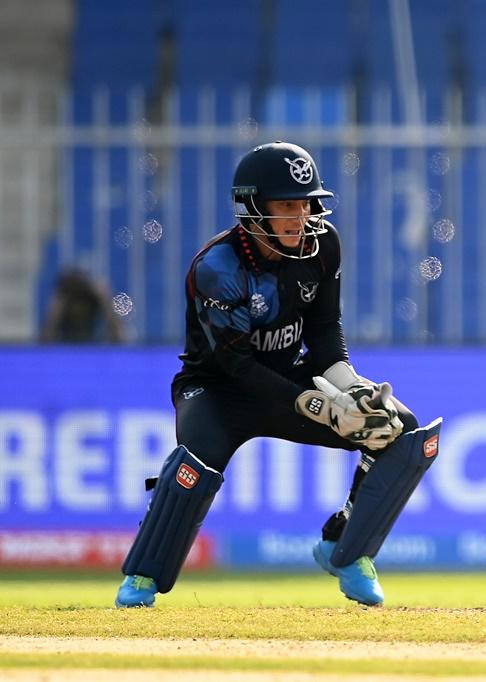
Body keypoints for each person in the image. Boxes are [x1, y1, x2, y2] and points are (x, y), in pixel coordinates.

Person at [115, 141, 443, 608]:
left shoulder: (324, 244)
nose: (300, 215)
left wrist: (349, 388)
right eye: (286, 204)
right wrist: (317, 405)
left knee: (397, 430)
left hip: (290, 372)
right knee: (195, 465)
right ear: (252, 207)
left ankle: (345, 550)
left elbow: (325, 330)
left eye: (306, 203)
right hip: (217, 389)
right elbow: (236, 364)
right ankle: (143, 578)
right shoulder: (218, 268)